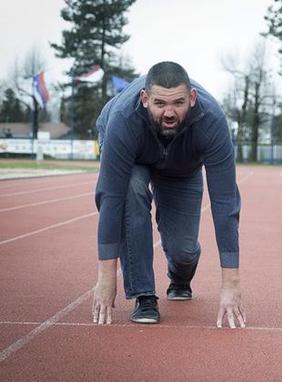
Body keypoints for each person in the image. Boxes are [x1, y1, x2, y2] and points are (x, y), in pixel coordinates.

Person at [91, 61, 245, 328]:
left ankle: (181, 276)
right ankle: (144, 295)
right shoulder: (123, 119)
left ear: (193, 98)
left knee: (182, 251)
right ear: (144, 98)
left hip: (182, 165)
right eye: (160, 103)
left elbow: (225, 203)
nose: (169, 112)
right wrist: (106, 277)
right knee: (130, 190)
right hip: (135, 155)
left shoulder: (212, 121)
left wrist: (230, 284)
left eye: (178, 103)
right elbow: (110, 197)